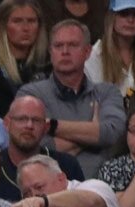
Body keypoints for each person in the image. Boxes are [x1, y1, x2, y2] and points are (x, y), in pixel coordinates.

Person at [18, 20, 126, 174]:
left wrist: (52, 126)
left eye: (73, 45)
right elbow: (36, 148)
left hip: (98, 188)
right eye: (58, 46)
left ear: (87, 52)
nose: (65, 51)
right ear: (50, 51)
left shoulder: (107, 92)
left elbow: (112, 133)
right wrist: (93, 131)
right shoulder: (31, 95)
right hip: (49, 188)